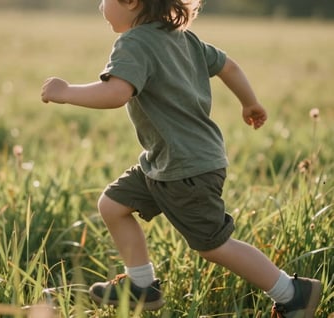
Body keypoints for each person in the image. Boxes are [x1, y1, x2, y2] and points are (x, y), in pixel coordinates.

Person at [41, 0, 322, 316]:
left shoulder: (133, 42)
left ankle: (292, 293)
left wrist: (65, 92)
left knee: (214, 245)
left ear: (131, 2)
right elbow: (228, 65)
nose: (101, 6)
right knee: (113, 205)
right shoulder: (182, 37)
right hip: (167, 162)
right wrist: (249, 102)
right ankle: (141, 286)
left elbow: (116, 93)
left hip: (186, 168)